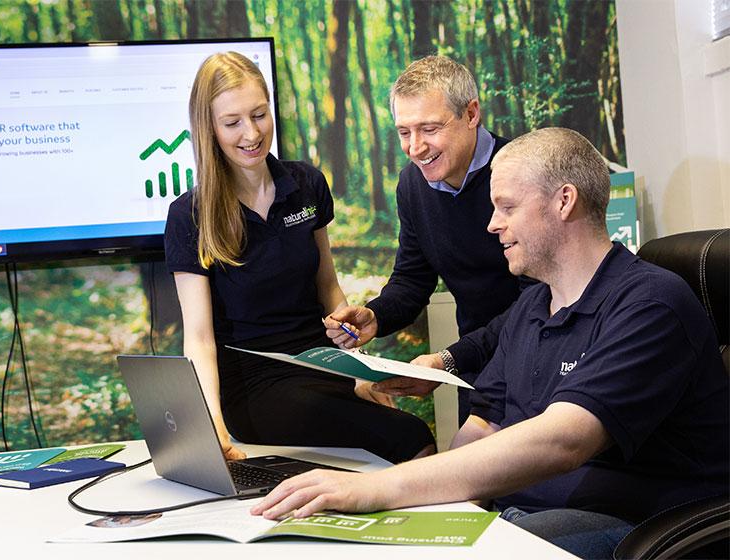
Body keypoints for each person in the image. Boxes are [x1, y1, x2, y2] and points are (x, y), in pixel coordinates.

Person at [252, 128, 730, 559]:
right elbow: (483, 424)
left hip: (630, 521)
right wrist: (424, 509)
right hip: (517, 511)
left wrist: (377, 488)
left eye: (507, 207)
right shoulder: (530, 307)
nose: (491, 224)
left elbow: (564, 440)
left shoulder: (650, 304)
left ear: (564, 201)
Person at [163, 52, 435, 465]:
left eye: (259, 115)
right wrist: (213, 426)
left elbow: (328, 286)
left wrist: (359, 372)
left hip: (324, 363)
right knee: (408, 437)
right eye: (232, 122)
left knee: (410, 433)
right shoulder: (190, 215)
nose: (251, 133)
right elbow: (198, 339)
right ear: (209, 129)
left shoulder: (306, 183)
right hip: (255, 384)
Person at [324, 56, 525, 420]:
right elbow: (412, 280)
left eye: (429, 129)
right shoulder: (413, 184)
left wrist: (450, 359)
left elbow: (538, 301)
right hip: (478, 368)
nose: (415, 148)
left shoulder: (522, 174)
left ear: (471, 114)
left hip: (539, 356)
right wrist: (374, 315)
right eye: (404, 132)